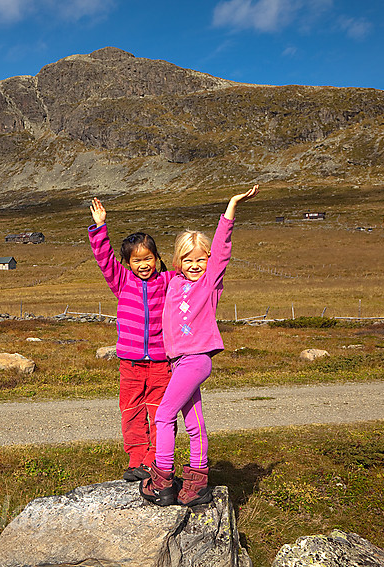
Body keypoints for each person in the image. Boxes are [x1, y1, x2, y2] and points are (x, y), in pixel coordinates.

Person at [140, 184, 260, 507]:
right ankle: (197, 483)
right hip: (180, 362)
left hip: (196, 360)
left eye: (201, 259)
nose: (195, 264)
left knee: (164, 417)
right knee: (194, 424)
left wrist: (231, 208)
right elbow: (147, 272)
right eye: (188, 259)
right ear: (179, 260)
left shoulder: (210, 284)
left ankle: (162, 480)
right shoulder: (174, 282)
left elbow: (222, 249)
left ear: (209, 260)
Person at [89, 197, 174, 482]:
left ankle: (154, 460)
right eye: (136, 260)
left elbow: (194, 271)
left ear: (157, 258)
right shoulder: (122, 281)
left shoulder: (167, 282)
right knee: (132, 411)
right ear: (127, 263)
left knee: (160, 413)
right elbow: (104, 259)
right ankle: (136, 459)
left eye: (148, 258)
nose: (143, 265)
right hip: (130, 363)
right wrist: (100, 227)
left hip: (162, 363)